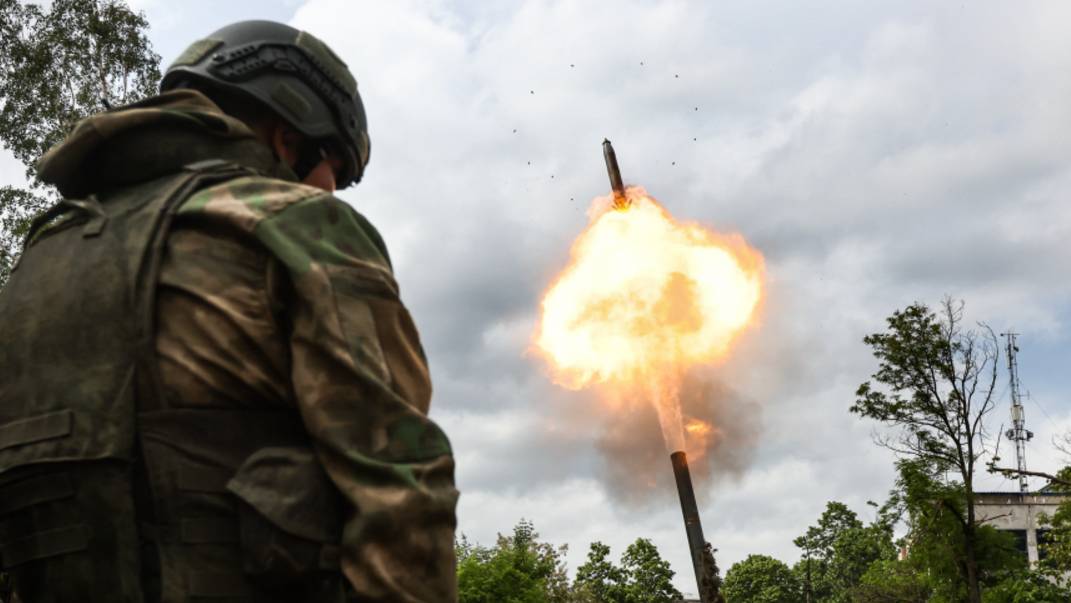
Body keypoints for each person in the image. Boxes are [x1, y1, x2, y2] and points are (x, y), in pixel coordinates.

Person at [0, 20, 457, 602]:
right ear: (289, 135)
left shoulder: (40, 261)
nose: (332, 193)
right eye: (334, 171)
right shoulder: (293, 223)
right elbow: (402, 482)